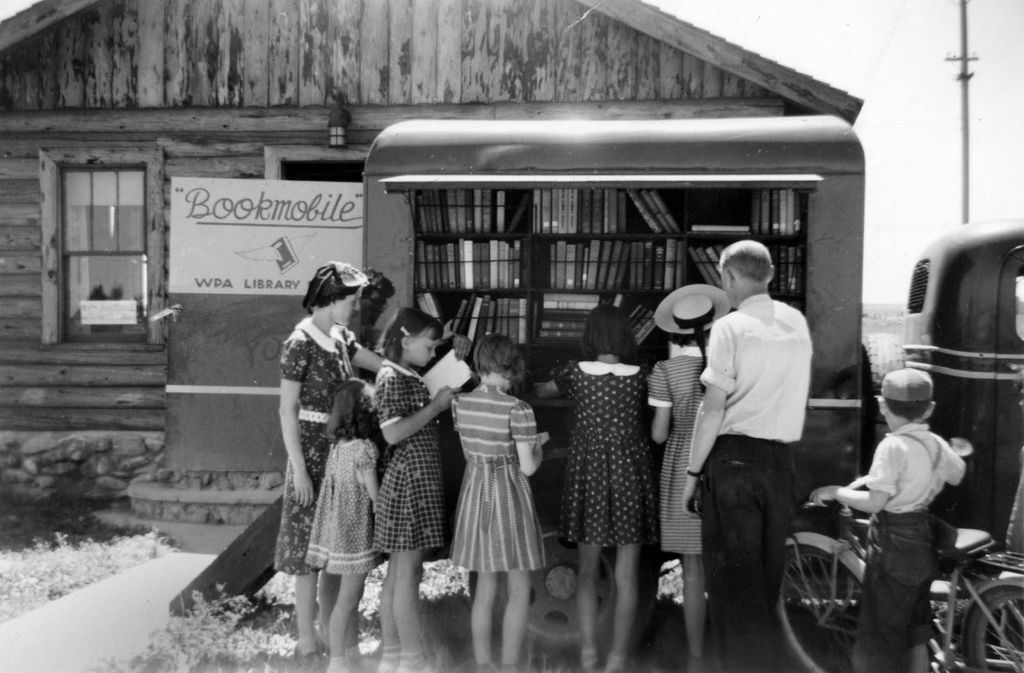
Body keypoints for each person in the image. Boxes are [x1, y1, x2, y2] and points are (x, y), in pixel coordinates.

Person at [679, 240, 812, 672]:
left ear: (731, 276)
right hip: (781, 466)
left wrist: (692, 474)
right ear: (770, 274)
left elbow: (713, 407)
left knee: (733, 595)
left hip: (734, 465)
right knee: (763, 593)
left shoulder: (729, 327)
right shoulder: (796, 323)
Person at [811, 368, 966, 673]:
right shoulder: (933, 443)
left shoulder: (891, 446)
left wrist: (837, 491)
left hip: (892, 542)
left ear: (883, 406)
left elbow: (875, 502)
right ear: (930, 408)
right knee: (916, 631)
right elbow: (957, 474)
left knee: (880, 636)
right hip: (922, 539)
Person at [534, 304, 658, 673]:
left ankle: (588, 650)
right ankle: (617, 656)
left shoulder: (575, 372)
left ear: (590, 335)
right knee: (626, 574)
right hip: (629, 472)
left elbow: (545, 390)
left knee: (587, 570)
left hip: (588, 471)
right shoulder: (641, 374)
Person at [276, 261, 383, 661]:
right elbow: (287, 410)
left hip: (338, 450)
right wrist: (299, 471)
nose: (355, 307)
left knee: (334, 544)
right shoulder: (300, 342)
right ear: (331, 299)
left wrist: (401, 370)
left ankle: (330, 633)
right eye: (351, 300)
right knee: (307, 553)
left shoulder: (340, 335)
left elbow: (373, 362)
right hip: (309, 451)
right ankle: (307, 640)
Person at [450, 333, 546, 673]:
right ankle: (508, 666)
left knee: (485, 584)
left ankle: (483, 663)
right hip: (507, 495)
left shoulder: (459, 404)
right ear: (512, 367)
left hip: (475, 492)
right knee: (519, 586)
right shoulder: (519, 410)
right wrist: (538, 445)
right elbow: (528, 468)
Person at [647, 283, 730, 667]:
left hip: (684, 465)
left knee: (693, 566)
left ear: (671, 331)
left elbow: (659, 435)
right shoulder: (727, 363)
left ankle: (697, 655)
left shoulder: (664, 370)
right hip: (725, 460)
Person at [373, 307, 458, 673]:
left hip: (415, 481)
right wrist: (437, 406)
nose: (433, 352)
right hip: (409, 483)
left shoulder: (406, 372)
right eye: (429, 345)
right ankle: (412, 658)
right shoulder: (392, 377)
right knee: (406, 575)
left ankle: (392, 655)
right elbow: (392, 432)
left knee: (399, 573)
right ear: (405, 341)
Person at [306, 378, 383, 673]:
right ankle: (337, 662)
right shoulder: (364, 450)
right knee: (348, 601)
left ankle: (346, 653)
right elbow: (373, 494)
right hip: (355, 537)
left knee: (344, 598)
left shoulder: (338, 448)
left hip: (337, 534)